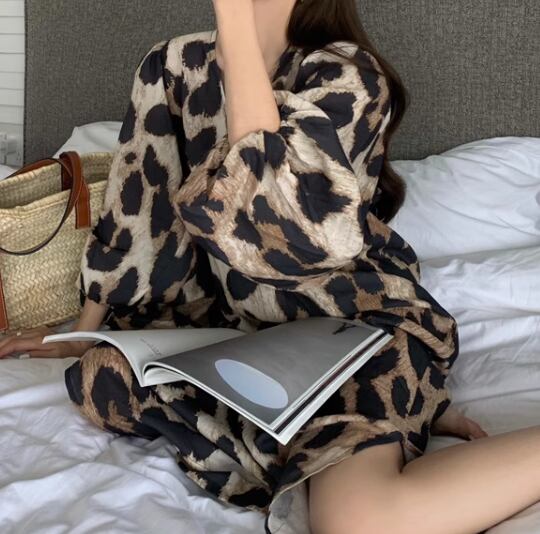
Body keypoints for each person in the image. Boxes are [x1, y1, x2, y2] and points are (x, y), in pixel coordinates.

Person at [2, 1, 540, 533]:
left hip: (349, 326)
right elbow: (139, 214)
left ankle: (380, 421)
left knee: (357, 522)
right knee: (104, 378)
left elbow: (283, 227)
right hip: (233, 332)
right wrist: (83, 333)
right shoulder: (171, 66)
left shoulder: (349, 76)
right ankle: (375, 428)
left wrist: (235, 24)